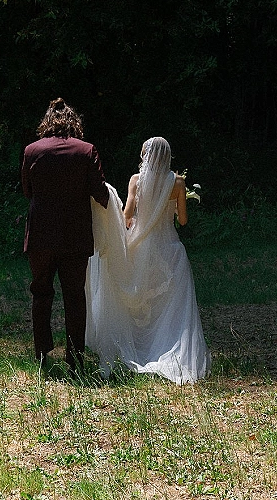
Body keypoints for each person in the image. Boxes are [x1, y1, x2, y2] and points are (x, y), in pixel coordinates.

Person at [86, 136, 211, 384]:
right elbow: (183, 222)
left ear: (146, 155)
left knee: (143, 298)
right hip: (171, 250)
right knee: (171, 306)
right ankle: (167, 348)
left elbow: (127, 215)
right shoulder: (178, 182)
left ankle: (139, 346)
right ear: (167, 156)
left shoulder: (136, 181)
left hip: (141, 249)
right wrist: (174, 207)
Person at [21, 98, 109, 372]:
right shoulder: (86, 151)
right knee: (74, 296)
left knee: (41, 292)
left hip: (41, 237)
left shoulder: (32, 151)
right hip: (75, 236)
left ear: (46, 122)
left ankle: (41, 355)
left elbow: (27, 191)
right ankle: (75, 358)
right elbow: (101, 193)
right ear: (75, 122)